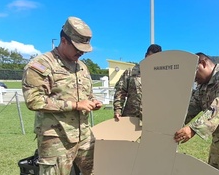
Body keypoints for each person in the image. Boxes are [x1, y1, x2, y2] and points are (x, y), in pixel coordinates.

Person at [22, 16, 103, 175]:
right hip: (56, 138)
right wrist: (75, 105)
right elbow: (34, 101)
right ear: (64, 40)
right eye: (77, 47)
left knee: (98, 170)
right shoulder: (41, 65)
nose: (81, 53)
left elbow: (87, 94)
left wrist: (93, 102)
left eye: (84, 49)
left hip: (84, 135)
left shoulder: (82, 67)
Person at [113, 44, 162, 121]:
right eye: (151, 57)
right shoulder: (130, 71)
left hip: (152, 119)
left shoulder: (161, 74)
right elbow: (120, 91)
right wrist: (118, 110)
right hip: (131, 117)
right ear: (146, 55)